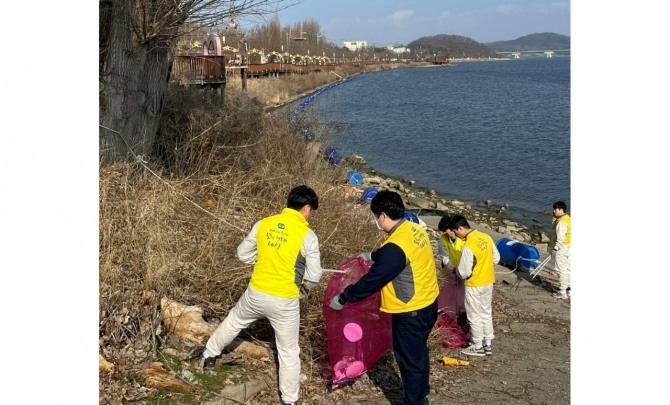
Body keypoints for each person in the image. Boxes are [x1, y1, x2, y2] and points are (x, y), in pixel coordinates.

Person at [201, 185, 324, 405]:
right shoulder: (308, 235)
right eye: (311, 210)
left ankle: (209, 355)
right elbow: (314, 276)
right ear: (306, 208)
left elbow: (242, 254)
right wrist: (303, 290)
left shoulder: (264, 223)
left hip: (256, 292)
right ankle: (289, 399)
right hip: (285, 299)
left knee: (234, 321)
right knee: (288, 351)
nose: (310, 215)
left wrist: (259, 262)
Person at [329, 190, 439, 405]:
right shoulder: (414, 229)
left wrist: (344, 298)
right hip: (429, 303)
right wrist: (373, 256)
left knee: (409, 360)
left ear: (382, 216)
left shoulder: (395, 248)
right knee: (419, 353)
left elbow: (373, 280)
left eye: (375, 217)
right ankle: (421, 391)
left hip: (410, 311)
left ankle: (416, 401)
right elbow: (397, 255)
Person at [447, 214, 500, 357]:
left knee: (474, 314)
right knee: (486, 312)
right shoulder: (486, 237)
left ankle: (477, 345)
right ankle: (487, 343)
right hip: (488, 281)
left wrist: (452, 268)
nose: (456, 235)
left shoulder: (468, 246)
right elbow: (496, 258)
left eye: (455, 232)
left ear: (460, 228)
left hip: (474, 284)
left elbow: (463, 273)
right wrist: (484, 266)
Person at [549, 201, 571, 299]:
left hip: (561, 248)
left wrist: (556, 248)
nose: (554, 211)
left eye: (555, 209)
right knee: (568, 268)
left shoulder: (562, 222)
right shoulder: (567, 219)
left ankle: (562, 291)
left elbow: (560, 236)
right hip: (568, 246)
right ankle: (570, 289)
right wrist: (554, 220)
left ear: (560, 209)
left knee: (560, 269)